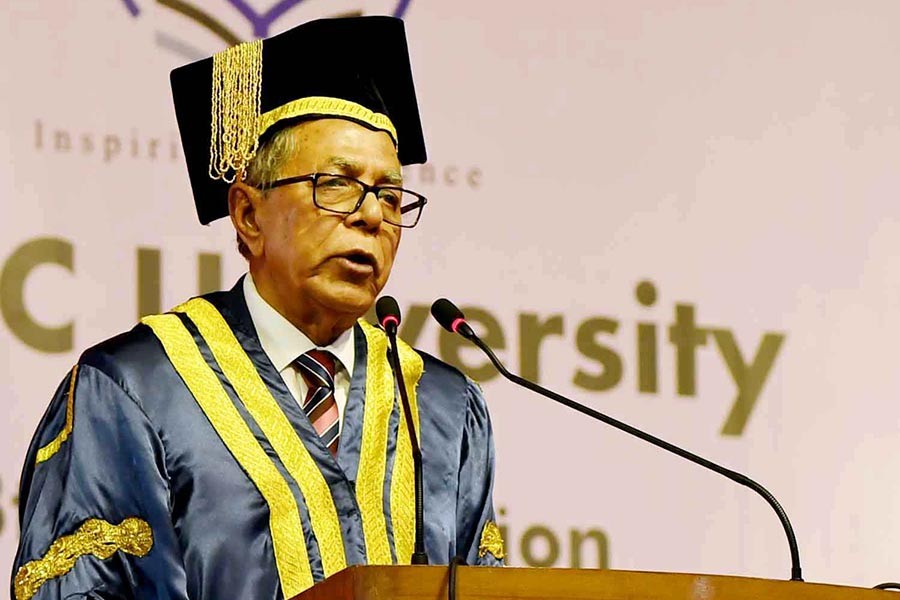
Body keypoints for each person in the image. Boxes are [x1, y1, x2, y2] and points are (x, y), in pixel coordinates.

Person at [12, 16, 503, 600]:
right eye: (337, 184)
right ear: (248, 214)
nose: (373, 216)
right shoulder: (135, 392)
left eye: (391, 196)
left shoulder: (443, 408)